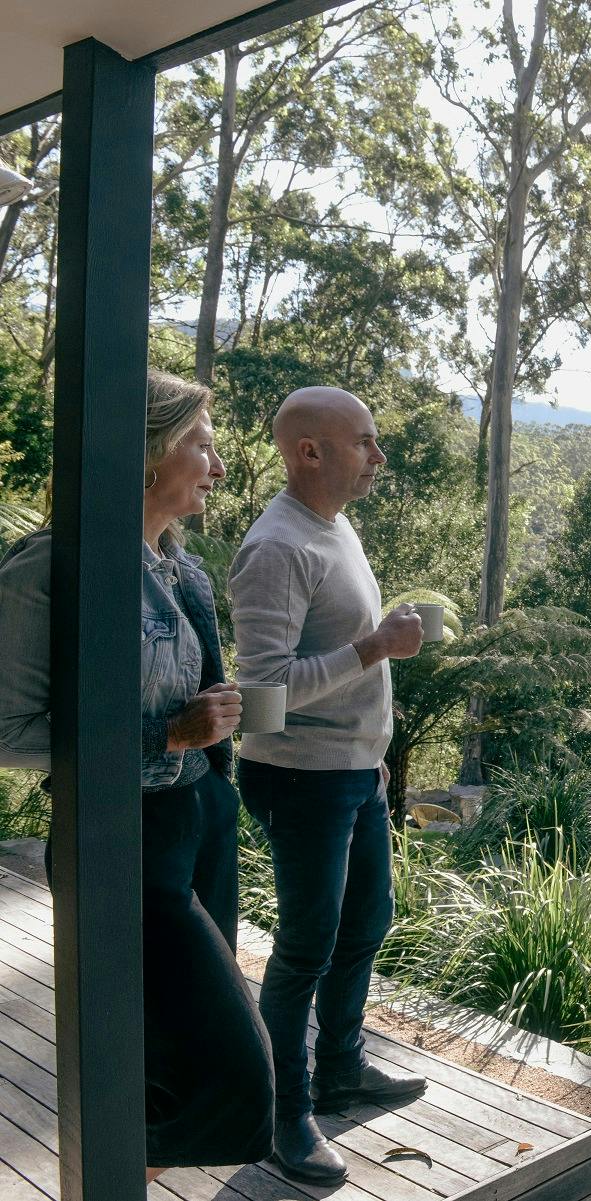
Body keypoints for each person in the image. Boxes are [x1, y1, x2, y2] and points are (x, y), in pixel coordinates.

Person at [0, 370, 275, 1180]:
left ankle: (126, 1176)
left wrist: (343, 687)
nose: (218, 468)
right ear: (149, 453)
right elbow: (8, 732)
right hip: (122, 845)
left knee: (166, 1065)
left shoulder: (181, 569)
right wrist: (168, 736)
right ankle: (103, 1170)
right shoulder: (52, 568)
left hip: (201, 829)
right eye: (204, 443)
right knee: (238, 1073)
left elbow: (217, 705)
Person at [229, 385, 427, 1186]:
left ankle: (342, 1068)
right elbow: (264, 698)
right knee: (306, 946)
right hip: (298, 779)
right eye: (365, 441)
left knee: (365, 923)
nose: (378, 455)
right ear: (309, 451)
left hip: (353, 773)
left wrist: (371, 750)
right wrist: (374, 647)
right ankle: (284, 1113)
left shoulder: (333, 525)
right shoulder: (277, 547)